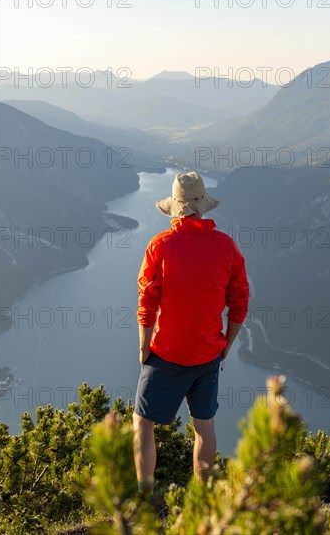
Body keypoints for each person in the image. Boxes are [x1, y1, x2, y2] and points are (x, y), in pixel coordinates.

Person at [133, 171, 249, 497]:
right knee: (204, 427)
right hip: (208, 355)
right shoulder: (225, 247)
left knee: (143, 423)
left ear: (175, 208)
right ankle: (203, 499)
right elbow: (240, 299)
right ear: (202, 207)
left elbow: (147, 301)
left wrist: (144, 347)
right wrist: (227, 343)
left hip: (167, 354)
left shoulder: (161, 246)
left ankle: (145, 497)